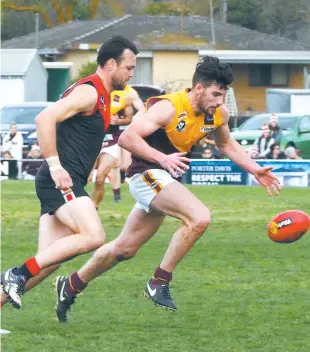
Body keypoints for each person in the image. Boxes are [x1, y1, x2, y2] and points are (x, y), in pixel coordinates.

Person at [53, 56, 280, 321]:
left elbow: (227, 145)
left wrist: (255, 170)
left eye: (223, 95)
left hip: (164, 181)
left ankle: (69, 286)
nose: (219, 101)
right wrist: (162, 158)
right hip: (146, 175)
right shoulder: (169, 107)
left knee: (124, 249)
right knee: (199, 217)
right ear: (198, 89)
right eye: (215, 94)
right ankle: (159, 282)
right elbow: (127, 138)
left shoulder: (218, 114)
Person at [0, 35, 138, 310]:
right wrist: (55, 164)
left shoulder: (101, 95)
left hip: (66, 180)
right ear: (111, 64)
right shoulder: (89, 92)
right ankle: (15, 274)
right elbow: (44, 118)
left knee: (47, 261)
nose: (131, 74)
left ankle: (11, 286)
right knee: (94, 236)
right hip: (59, 181)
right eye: (129, 67)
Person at [91, 85, 144, 206]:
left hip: (112, 139)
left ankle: (99, 204)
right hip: (92, 139)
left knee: (102, 176)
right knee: (83, 175)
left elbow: (136, 113)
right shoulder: (93, 89)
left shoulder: (128, 93)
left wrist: (120, 121)